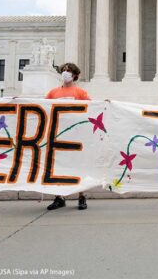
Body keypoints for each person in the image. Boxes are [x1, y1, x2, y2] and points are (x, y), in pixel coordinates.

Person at [45, 62, 91, 210]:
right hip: (58, 134)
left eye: (69, 71)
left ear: (75, 75)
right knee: (58, 167)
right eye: (64, 70)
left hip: (76, 135)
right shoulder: (53, 93)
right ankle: (59, 197)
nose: (65, 73)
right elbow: (41, 107)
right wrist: (17, 102)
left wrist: (105, 104)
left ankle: (81, 197)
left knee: (78, 166)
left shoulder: (80, 93)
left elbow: (92, 108)